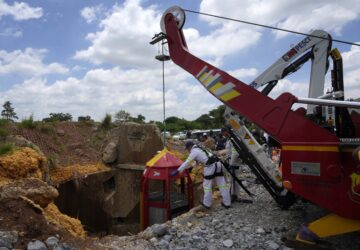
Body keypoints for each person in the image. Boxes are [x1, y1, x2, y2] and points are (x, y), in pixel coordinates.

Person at [171, 140, 231, 209]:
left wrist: (178, 170)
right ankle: (227, 203)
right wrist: (192, 168)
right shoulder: (200, 148)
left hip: (210, 166)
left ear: (189, 147)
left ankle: (207, 204)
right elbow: (198, 161)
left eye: (187, 149)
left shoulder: (194, 151)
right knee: (222, 184)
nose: (187, 151)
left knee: (207, 185)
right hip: (219, 164)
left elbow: (187, 162)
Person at [219, 127, 244, 202]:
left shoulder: (233, 139)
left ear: (226, 131)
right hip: (232, 161)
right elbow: (229, 150)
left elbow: (235, 152)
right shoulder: (230, 139)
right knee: (233, 179)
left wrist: (231, 164)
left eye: (223, 133)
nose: (223, 135)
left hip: (235, 162)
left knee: (235, 180)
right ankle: (234, 194)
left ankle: (235, 195)